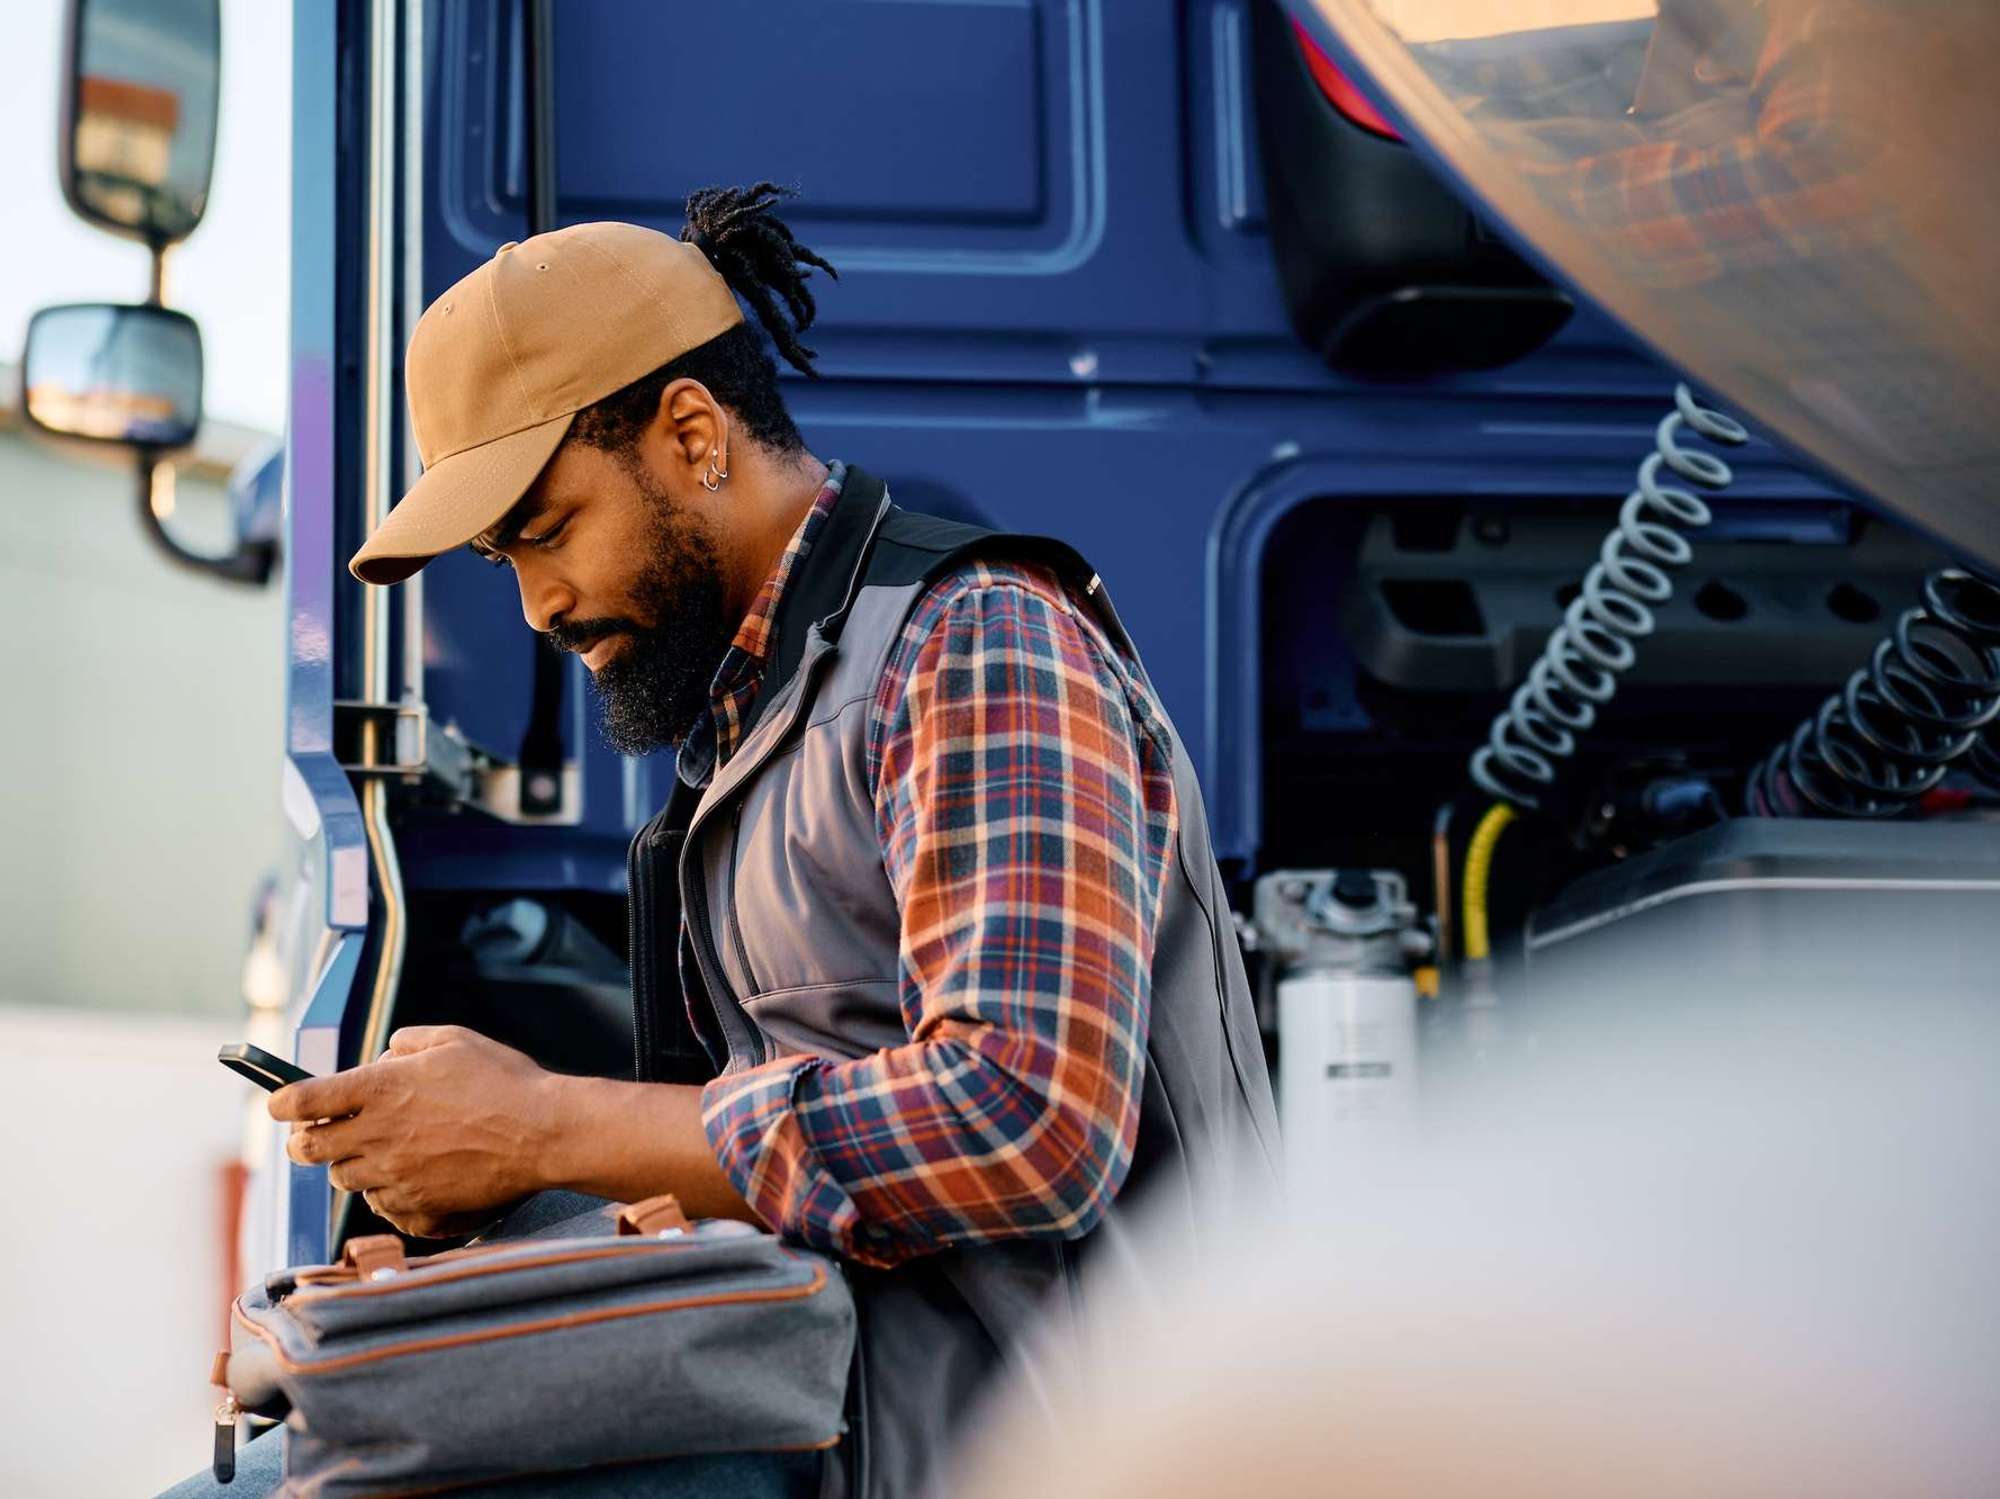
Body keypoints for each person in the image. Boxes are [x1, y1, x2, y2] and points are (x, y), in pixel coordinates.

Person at [164, 184, 1278, 1498]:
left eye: (548, 530)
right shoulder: (752, 729)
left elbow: (1026, 1118)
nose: (535, 605)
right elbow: (778, 1166)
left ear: (691, 433)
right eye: (499, 560)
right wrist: (501, 1178)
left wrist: (544, 1130)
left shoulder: (976, 642)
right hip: (825, 1421)